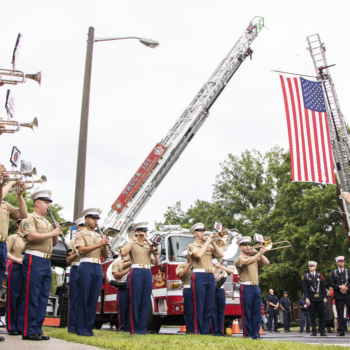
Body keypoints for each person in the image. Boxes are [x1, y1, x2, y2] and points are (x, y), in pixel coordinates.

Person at [21, 189, 61, 341]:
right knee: (32, 295)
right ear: (37, 203)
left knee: (43, 297)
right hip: (34, 257)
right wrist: (51, 233)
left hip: (46, 260)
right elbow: (30, 236)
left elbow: (53, 242)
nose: (48, 206)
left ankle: (37, 328)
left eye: (49, 203)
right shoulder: (29, 217)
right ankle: (28, 330)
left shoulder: (46, 221)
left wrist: (56, 232)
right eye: (46, 202)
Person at [120, 222, 160, 335]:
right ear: (136, 232)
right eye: (141, 232)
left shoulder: (148, 246)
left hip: (147, 272)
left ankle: (142, 329)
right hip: (136, 271)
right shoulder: (132, 244)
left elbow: (156, 262)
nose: (144, 234)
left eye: (145, 232)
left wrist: (148, 241)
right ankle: (134, 329)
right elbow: (123, 253)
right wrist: (132, 240)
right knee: (135, 301)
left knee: (145, 302)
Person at [75, 208, 108, 336]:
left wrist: (104, 244)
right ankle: (81, 328)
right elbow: (81, 250)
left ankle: (88, 327)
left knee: (94, 298)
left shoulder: (100, 235)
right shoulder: (81, 234)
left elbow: (104, 255)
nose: (96, 221)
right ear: (86, 219)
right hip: (86, 264)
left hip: (97, 266)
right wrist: (99, 244)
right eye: (93, 219)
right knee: (83, 297)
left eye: (97, 219)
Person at [187, 223, 224, 335]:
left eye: (203, 230)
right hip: (199, 276)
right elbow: (198, 255)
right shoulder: (191, 246)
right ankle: (198, 331)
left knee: (209, 306)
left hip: (210, 276)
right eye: (199, 231)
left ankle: (206, 331)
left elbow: (221, 255)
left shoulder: (208, 246)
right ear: (194, 234)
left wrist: (212, 241)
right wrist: (207, 243)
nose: (202, 232)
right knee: (199, 305)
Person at [235, 236, 269, 339]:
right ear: (240, 247)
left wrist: (259, 253)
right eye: (245, 245)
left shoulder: (254, 257)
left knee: (256, 312)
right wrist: (259, 254)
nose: (248, 247)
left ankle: (256, 334)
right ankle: (247, 334)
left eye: (248, 245)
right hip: (246, 286)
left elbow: (267, 263)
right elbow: (247, 262)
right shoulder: (239, 259)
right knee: (247, 312)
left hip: (255, 286)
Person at [6, 219, 25, 335]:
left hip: (26, 267)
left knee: (23, 298)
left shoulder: (29, 238)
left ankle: (19, 325)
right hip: (15, 266)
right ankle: (11, 326)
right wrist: (16, 259)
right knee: (13, 296)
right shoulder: (13, 237)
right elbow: (6, 252)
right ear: (17, 224)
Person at [66, 217, 85, 334]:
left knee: (84, 298)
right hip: (76, 267)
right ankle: (72, 327)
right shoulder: (71, 242)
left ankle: (83, 326)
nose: (84, 228)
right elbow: (68, 260)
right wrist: (77, 253)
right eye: (82, 226)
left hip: (86, 267)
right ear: (78, 228)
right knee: (74, 298)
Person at [302, 261, 327, 336]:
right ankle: (314, 330)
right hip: (311, 297)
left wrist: (325, 297)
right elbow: (304, 288)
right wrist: (306, 298)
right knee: (312, 314)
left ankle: (322, 330)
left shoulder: (320, 276)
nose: (311, 267)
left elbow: (323, 287)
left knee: (321, 314)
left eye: (312, 266)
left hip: (319, 297)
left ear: (315, 267)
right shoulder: (306, 276)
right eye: (310, 266)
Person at [211, 259, 233, 336]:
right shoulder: (210, 265)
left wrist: (220, 266)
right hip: (212, 289)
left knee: (221, 311)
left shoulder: (222, 267)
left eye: (219, 259)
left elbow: (231, 272)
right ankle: (215, 331)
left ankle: (220, 331)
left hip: (220, 290)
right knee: (213, 311)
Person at [329, 256, 350, 337]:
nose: (342, 263)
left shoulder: (348, 271)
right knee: (340, 313)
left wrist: (346, 288)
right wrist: (339, 287)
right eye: (340, 262)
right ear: (337, 263)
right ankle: (341, 330)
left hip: (348, 295)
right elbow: (331, 283)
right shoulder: (333, 273)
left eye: (343, 261)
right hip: (339, 295)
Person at [111, 254, 131, 332]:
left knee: (131, 309)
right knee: (122, 309)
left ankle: (129, 328)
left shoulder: (132, 262)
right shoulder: (117, 262)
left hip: (131, 288)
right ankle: (122, 328)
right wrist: (126, 271)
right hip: (122, 288)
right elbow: (114, 274)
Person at [176, 250, 193, 334]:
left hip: (197, 289)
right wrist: (189, 265)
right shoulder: (182, 265)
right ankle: (190, 330)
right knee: (189, 311)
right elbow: (180, 274)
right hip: (188, 288)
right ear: (186, 256)